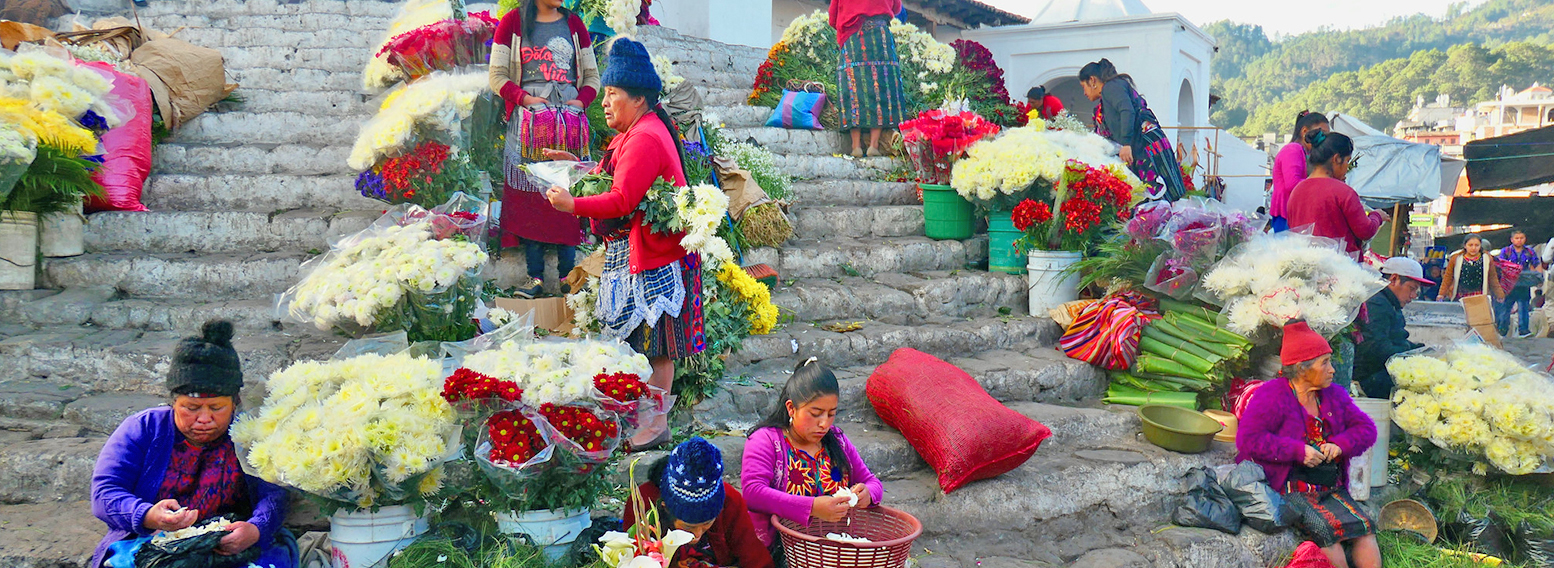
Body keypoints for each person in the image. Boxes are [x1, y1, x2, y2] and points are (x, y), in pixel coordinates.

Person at [545, 37, 702, 450]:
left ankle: (655, 424)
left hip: (656, 259)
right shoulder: (634, 133)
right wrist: (573, 166)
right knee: (643, 344)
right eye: (606, 93)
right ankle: (646, 420)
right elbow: (613, 177)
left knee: (657, 347)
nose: (605, 102)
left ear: (638, 98)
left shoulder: (646, 137)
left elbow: (622, 199)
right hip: (641, 254)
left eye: (612, 94)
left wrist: (571, 204)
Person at [90, 321, 296, 568]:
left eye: (217, 408)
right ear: (173, 403)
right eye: (192, 408)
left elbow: (275, 492)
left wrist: (255, 529)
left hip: (230, 543)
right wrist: (148, 515)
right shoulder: (143, 429)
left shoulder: (250, 433)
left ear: (235, 403)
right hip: (152, 544)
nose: (205, 419)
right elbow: (105, 493)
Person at [1238, 320, 1380, 568]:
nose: (1332, 369)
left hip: (1329, 485)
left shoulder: (1334, 395)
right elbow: (1248, 439)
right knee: (1326, 531)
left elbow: (1367, 429)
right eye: (1325, 362)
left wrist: (1340, 444)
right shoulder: (1272, 395)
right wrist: (1296, 451)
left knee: (1364, 527)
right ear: (1302, 368)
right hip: (1291, 489)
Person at [490, 0, 601, 298]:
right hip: (528, 124)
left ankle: (568, 275)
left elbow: (592, 77)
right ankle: (534, 277)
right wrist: (525, 99)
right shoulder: (512, 24)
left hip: (569, 124)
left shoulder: (575, 26)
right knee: (531, 193)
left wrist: (581, 101)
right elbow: (497, 76)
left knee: (567, 189)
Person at [741, 359, 884, 563]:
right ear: (791, 408)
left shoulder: (838, 441)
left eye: (831, 414)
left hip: (834, 548)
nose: (824, 423)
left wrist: (867, 494)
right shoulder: (766, 440)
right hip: (780, 552)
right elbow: (753, 492)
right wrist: (812, 507)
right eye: (815, 414)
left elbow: (872, 482)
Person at [622, 437, 775, 568]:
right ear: (666, 509)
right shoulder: (643, 505)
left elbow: (756, 559)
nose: (697, 535)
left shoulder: (730, 501)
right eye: (689, 527)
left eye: (707, 524)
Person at [1079, 59, 1187, 202]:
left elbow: (1127, 111)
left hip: (1145, 147)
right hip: (1145, 145)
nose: (1084, 93)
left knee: (1161, 199)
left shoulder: (1111, 88)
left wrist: (1126, 144)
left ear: (1092, 80)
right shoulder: (1113, 89)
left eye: (1083, 86)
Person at [1284, 130, 1389, 258]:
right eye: (1346, 161)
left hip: (1305, 266)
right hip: (1340, 270)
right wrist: (1377, 216)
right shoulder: (1343, 192)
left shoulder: (1297, 191)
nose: (1346, 167)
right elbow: (1365, 230)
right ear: (1336, 159)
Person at [829, 0, 909, 158]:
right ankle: (873, 145)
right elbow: (897, 7)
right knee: (880, 86)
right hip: (880, 34)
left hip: (853, 36)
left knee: (854, 87)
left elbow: (833, 18)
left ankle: (856, 146)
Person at [1354, 257, 1432, 398]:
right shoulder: (1377, 303)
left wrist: (1420, 349)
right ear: (1394, 279)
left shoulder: (1390, 302)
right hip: (1371, 380)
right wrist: (1412, 354)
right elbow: (1377, 348)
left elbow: (1397, 339)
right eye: (1412, 288)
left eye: (1417, 291)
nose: (1413, 296)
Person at [1270, 111, 1332, 233]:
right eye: (1322, 133)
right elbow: (1292, 184)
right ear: (1304, 131)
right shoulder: (1293, 149)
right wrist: (1321, 183)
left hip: (1293, 214)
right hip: (1286, 216)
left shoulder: (1305, 152)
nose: (1324, 139)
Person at [1496, 230, 1543, 338]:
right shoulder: (1506, 251)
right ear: (1512, 240)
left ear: (1525, 239)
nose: (1519, 240)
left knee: (1524, 307)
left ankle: (1524, 330)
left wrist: (1539, 279)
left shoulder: (1529, 252)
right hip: (1509, 284)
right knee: (1506, 308)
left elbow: (1536, 264)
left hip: (1524, 283)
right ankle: (1502, 330)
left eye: (1521, 238)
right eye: (1517, 238)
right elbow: (1500, 265)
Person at [1437, 235, 1502, 303]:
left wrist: (1499, 295)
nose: (1473, 248)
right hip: (1460, 297)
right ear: (1465, 246)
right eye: (1470, 245)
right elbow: (1448, 277)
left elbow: (1493, 278)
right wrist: (1441, 294)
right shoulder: (1456, 258)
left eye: (1477, 245)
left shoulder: (1487, 258)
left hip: (1480, 297)